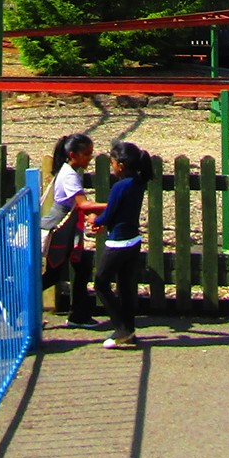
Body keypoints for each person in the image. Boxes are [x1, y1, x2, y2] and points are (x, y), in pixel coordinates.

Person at [91, 142, 155, 350]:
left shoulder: (120, 186)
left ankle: (122, 329)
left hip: (118, 243)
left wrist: (96, 220)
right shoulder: (139, 181)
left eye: (112, 163)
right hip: (133, 240)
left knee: (101, 283)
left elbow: (110, 213)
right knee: (126, 289)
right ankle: (129, 329)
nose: (111, 167)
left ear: (120, 165)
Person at [42, 133, 100, 326]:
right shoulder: (69, 176)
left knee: (81, 267)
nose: (90, 158)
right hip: (61, 227)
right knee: (53, 273)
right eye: (86, 154)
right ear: (73, 154)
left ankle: (78, 315)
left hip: (68, 226)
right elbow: (82, 204)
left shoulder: (68, 171)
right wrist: (113, 205)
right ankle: (14, 301)